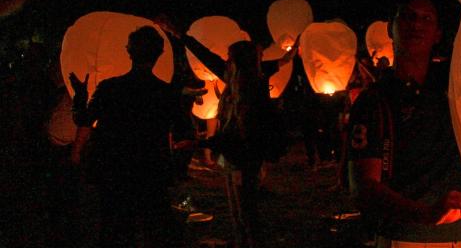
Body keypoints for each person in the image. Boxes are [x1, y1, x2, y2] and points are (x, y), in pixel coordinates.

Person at [348, 0, 461, 248]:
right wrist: (426, 214)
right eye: (408, 17)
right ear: (391, 28)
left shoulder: (458, 90)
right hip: (406, 237)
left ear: (438, 34)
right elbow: (364, 186)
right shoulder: (374, 101)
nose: (416, 25)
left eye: (426, 18)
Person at [158, 23, 296, 248]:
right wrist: (179, 34)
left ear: (237, 62)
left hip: (245, 159)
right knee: (237, 213)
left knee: (246, 213)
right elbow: (206, 56)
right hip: (233, 157)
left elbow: (238, 136)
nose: (226, 60)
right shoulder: (236, 78)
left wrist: (198, 142)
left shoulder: (251, 91)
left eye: (229, 57)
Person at [69, 26, 205, 248]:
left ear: (129, 52)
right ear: (159, 54)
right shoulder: (166, 93)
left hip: (114, 171)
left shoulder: (109, 88)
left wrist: (80, 96)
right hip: (151, 172)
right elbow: (186, 134)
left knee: (115, 230)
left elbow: (84, 120)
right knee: (154, 231)